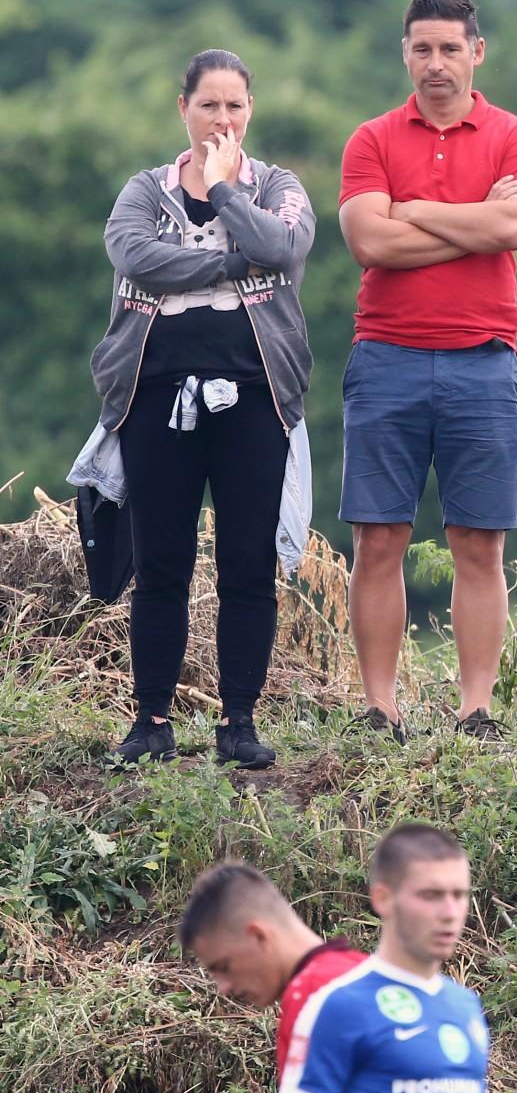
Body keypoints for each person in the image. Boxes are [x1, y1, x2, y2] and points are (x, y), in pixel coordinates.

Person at [89, 48, 315, 770]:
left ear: (251, 111)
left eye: (235, 106)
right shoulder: (144, 191)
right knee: (162, 562)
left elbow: (283, 245)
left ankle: (238, 721)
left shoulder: (275, 186)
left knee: (247, 562)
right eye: (208, 104)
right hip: (156, 397)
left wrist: (223, 190)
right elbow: (135, 257)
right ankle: (151, 719)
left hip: (255, 397)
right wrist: (231, 264)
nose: (222, 119)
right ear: (182, 107)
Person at [337, 0, 517, 743]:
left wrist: (414, 209)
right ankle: (379, 707)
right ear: (405, 53)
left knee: (479, 543)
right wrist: (473, 222)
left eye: (450, 48)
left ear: (476, 53)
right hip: (384, 356)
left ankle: (476, 709)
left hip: (483, 362)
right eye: (422, 48)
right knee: (378, 539)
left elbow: (515, 225)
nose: (436, 63)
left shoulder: (516, 137)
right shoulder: (371, 139)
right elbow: (371, 243)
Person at [278, 825, 509, 1093]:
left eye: (459, 895)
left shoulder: (464, 1004)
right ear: (383, 898)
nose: (450, 913)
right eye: (431, 895)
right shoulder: (338, 1006)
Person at [180, 863, 365, 1085]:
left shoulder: (312, 1000)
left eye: (224, 967)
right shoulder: (365, 971)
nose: (223, 988)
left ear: (258, 935)